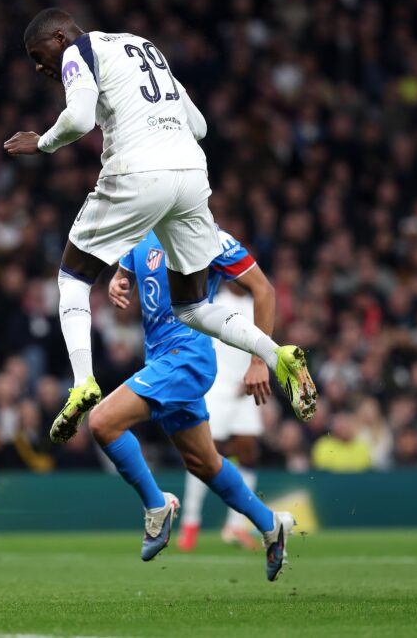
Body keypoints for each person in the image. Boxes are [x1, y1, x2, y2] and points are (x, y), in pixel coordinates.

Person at [3, 8, 316, 442]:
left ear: (58, 36)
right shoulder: (140, 45)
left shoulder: (78, 50)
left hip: (137, 172)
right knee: (190, 307)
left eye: (39, 56)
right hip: (191, 176)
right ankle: (278, 352)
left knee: (72, 278)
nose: (40, 68)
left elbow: (78, 120)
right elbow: (200, 126)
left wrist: (42, 142)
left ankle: (83, 383)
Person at [96, 231, 295, 580]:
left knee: (102, 422)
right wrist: (118, 281)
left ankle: (157, 505)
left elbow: (264, 289)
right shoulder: (142, 231)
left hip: (187, 359)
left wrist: (260, 360)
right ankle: (271, 525)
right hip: (159, 359)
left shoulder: (207, 235)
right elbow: (126, 268)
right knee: (204, 463)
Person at [173, 230, 275, 551]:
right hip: (216, 387)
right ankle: (190, 523)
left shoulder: (257, 304)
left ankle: (235, 526)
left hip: (245, 387)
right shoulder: (215, 299)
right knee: (207, 453)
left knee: (248, 451)